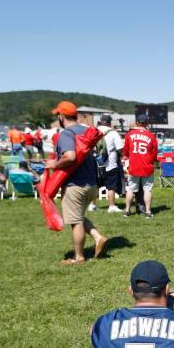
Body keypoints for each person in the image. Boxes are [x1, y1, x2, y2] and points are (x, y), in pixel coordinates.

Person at [45, 101, 108, 265]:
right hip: (91, 185)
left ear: (62, 116)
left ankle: (79, 257)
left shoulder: (67, 134)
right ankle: (97, 236)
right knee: (79, 216)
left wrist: (55, 164)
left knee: (75, 221)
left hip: (75, 185)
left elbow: (70, 156)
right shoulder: (87, 130)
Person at [123, 114, 158, 219]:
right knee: (147, 190)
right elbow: (154, 154)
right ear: (147, 124)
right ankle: (148, 212)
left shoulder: (129, 134)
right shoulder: (151, 136)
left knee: (131, 189)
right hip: (147, 166)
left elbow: (126, 152)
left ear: (137, 122)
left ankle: (127, 210)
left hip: (134, 166)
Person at [97, 115, 124, 213]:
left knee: (95, 183)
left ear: (100, 121)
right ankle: (111, 206)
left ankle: (92, 205)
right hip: (110, 162)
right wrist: (123, 155)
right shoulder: (113, 133)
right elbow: (120, 148)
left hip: (96, 161)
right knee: (111, 185)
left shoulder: (94, 131)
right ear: (110, 122)